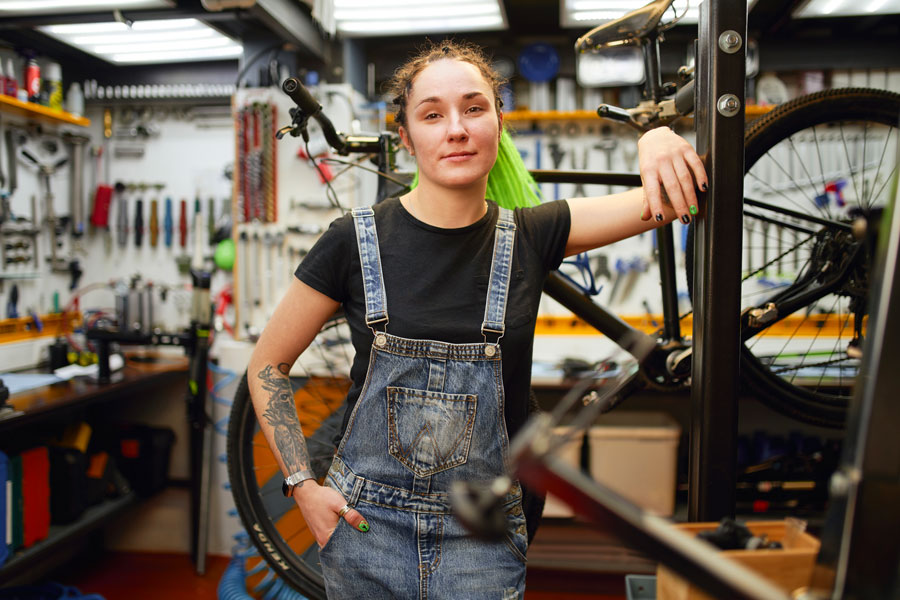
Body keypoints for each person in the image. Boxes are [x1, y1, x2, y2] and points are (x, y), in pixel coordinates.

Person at [248, 40, 707, 599]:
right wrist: (301, 487)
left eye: (474, 108)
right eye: (433, 114)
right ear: (406, 136)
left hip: (483, 538)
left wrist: (657, 137)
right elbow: (268, 363)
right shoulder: (352, 240)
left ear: (497, 123)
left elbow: (671, 197)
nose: (457, 129)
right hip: (365, 528)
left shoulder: (533, 236)